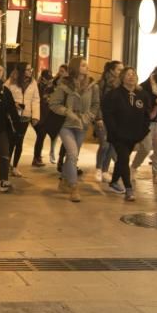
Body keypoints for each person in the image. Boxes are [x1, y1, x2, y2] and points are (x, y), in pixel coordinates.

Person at [48, 56, 99, 203]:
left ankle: (63, 181)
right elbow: (53, 104)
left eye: (87, 64)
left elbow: (96, 105)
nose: (87, 66)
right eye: (83, 65)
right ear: (76, 67)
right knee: (72, 153)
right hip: (66, 125)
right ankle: (74, 187)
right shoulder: (64, 85)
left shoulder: (93, 85)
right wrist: (68, 112)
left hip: (82, 125)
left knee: (72, 157)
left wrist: (88, 116)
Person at [102, 67, 153, 202]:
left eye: (133, 74)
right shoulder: (114, 94)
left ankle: (113, 182)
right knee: (124, 159)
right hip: (118, 135)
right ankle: (129, 189)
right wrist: (114, 130)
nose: (131, 77)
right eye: (128, 74)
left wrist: (142, 132)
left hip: (134, 134)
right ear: (122, 78)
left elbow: (147, 116)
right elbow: (108, 114)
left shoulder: (142, 95)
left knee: (122, 160)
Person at [4, 62, 40, 178]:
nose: (30, 71)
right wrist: (13, 104)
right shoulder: (11, 81)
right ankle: (6, 164)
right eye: (28, 69)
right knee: (11, 141)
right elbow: (3, 95)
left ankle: (15, 166)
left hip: (25, 115)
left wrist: (35, 116)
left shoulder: (33, 82)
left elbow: (36, 100)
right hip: (12, 116)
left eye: (31, 69)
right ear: (21, 70)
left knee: (19, 141)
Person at [94, 60, 123, 183]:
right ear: (111, 70)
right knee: (104, 144)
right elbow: (97, 102)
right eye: (119, 70)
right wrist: (99, 117)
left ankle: (105, 170)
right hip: (102, 118)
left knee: (112, 145)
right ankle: (98, 169)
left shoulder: (122, 85)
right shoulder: (102, 84)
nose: (121, 72)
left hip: (116, 119)